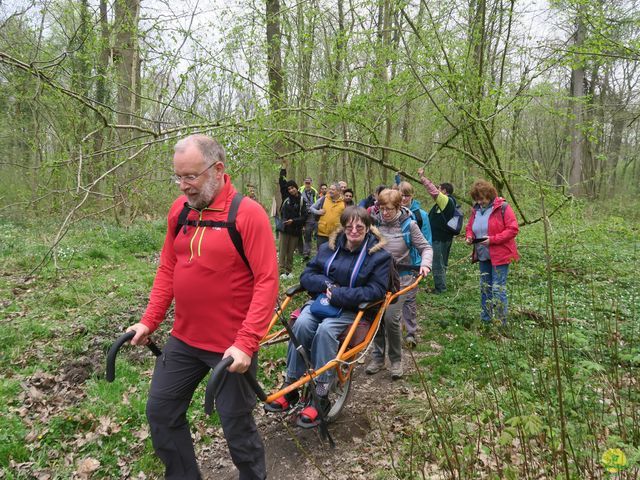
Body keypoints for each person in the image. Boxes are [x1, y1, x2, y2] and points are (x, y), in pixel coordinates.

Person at [126, 134, 278, 480]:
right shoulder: (179, 212)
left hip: (230, 348)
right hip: (184, 340)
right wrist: (150, 321)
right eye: (177, 177)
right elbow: (168, 267)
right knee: (161, 412)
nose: (183, 186)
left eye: (190, 177)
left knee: (236, 427)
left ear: (218, 169)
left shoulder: (248, 215)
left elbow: (267, 281)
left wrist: (246, 342)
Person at [266, 207, 392, 424]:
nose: (354, 231)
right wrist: (327, 285)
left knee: (325, 330)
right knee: (302, 324)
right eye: (349, 226)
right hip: (322, 303)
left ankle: (321, 394)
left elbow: (377, 290)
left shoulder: (379, 256)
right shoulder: (328, 248)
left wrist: (341, 294)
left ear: (368, 228)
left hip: (353, 309)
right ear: (343, 227)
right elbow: (307, 275)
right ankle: (291, 385)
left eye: (359, 227)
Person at [366, 189, 432, 379]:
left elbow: (425, 247)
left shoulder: (408, 225)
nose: (385, 213)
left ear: (398, 207)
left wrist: (425, 265)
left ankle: (395, 360)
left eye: (389, 209)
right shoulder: (374, 223)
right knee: (375, 317)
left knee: (391, 318)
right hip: (376, 280)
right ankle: (378, 357)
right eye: (382, 208)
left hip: (401, 280)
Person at [465, 179, 519, 325]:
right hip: (483, 255)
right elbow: (470, 227)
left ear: (489, 195)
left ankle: (502, 322)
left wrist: (493, 239)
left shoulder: (503, 207)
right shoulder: (476, 210)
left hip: (500, 255)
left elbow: (513, 229)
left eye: (482, 199)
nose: (480, 202)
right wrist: (469, 236)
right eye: (477, 199)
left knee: (497, 288)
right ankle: (486, 319)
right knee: (485, 287)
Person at [397, 181, 432, 347]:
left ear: (412, 196)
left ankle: (410, 332)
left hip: (413, 264)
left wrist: (421, 264)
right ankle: (395, 330)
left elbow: (426, 241)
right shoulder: (392, 214)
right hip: (396, 265)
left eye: (407, 195)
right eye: (401, 195)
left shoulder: (421, 215)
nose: (404, 198)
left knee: (410, 299)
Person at [418, 169, 458, 294]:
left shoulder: (446, 200)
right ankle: (442, 284)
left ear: (445, 191)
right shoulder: (447, 203)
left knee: (437, 263)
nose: (437, 190)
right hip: (444, 237)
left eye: (440, 188)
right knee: (442, 263)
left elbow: (433, 191)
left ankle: (440, 289)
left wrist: (422, 177)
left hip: (440, 239)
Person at [279, 180, 307, 279]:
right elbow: (282, 184)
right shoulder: (286, 198)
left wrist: (293, 221)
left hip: (295, 230)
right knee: (283, 251)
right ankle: (281, 271)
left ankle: (288, 271)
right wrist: (283, 168)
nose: (291, 190)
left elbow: (304, 216)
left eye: (292, 188)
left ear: (296, 187)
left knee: (290, 252)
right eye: (289, 189)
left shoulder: (302, 200)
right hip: (285, 229)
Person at [309, 182, 345, 247]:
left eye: (333, 190)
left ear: (339, 191)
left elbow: (346, 217)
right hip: (322, 233)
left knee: (333, 254)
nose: (330, 191)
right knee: (321, 253)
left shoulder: (344, 202)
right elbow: (311, 208)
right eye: (330, 189)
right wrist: (318, 212)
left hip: (336, 234)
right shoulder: (323, 199)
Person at [301, 177, 319, 260]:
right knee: (304, 232)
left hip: (312, 214)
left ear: (311, 183)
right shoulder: (300, 190)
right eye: (306, 183)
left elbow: (318, 202)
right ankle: (304, 251)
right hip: (303, 213)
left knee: (311, 232)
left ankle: (309, 252)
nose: (307, 184)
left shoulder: (314, 191)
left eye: (309, 183)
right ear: (304, 182)